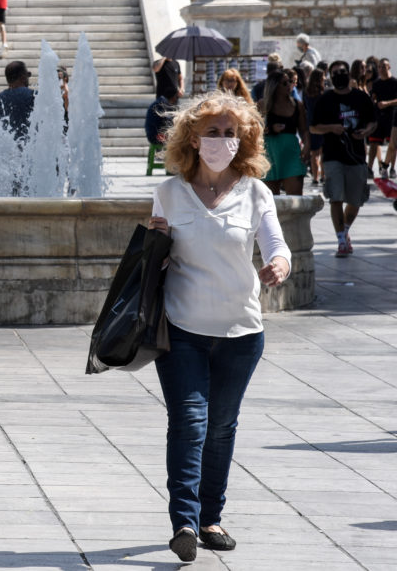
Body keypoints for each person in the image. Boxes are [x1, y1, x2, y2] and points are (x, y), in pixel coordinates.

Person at [148, 92, 291, 563]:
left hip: (241, 333)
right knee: (189, 423)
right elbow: (153, 257)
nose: (223, 141)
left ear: (244, 139)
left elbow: (276, 242)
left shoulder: (255, 191)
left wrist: (278, 264)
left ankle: (211, 517)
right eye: (214, 132)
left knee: (222, 428)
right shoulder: (169, 193)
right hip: (183, 328)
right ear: (193, 136)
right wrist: (155, 250)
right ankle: (185, 522)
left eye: (232, 134)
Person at [310, 60, 376, 257]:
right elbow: (314, 127)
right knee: (335, 197)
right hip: (332, 157)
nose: (339, 74)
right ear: (330, 76)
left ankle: (345, 230)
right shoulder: (325, 99)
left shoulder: (361, 98)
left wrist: (366, 131)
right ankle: (340, 240)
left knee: (356, 200)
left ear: (348, 74)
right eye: (335, 72)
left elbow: (373, 122)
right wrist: (331, 128)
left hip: (356, 156)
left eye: (343, 71)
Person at [259, 68, 308, 196]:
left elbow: (304, 130)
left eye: (290, 82)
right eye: (284, 83)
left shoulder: (298, 105)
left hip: (291, 154)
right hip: (269, 154)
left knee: (296, 200)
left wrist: (307, 146)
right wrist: (269, 129)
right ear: (274, 86)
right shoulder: (263, 105)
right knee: (271, 202)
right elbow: (253, 130)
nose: (289, 86)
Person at [0, 60, 34, 143]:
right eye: (28, 75)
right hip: (32, 150)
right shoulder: (34, 96)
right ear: (23, 77)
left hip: (5, 153)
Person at [370, 58, 397, 178]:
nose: (381, 69)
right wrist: (375, 101)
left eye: (384, 66)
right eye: (380, 67)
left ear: (389, 67)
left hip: (392, 115)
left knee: (392, 144)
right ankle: (372, 168)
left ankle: (391, 168)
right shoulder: (376, 83)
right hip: (379, 116)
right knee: (374, 142)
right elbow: (374, 96)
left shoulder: (394, 82)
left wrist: (387, 103)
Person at [303, 68, 327, 186]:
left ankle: (315, 177)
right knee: (323, 152)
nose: (325, 78)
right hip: (322, 123)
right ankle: (323, 175)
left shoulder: (307, 92)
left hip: (311, 123)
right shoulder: (323, 93)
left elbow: (306, 108)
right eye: (323, 76)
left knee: (314, 153)